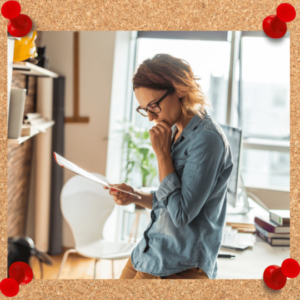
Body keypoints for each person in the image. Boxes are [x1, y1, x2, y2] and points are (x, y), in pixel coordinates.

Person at [104, 53, 233, 280]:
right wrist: (135, 196)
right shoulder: (175, 131)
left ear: (179, 89)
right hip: (149, 253)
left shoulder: (207, 139)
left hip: (178, 265)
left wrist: (162, 155)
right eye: (145, 109)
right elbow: (169, 201)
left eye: (154, 105)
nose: (151, 117)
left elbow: (181, 214)